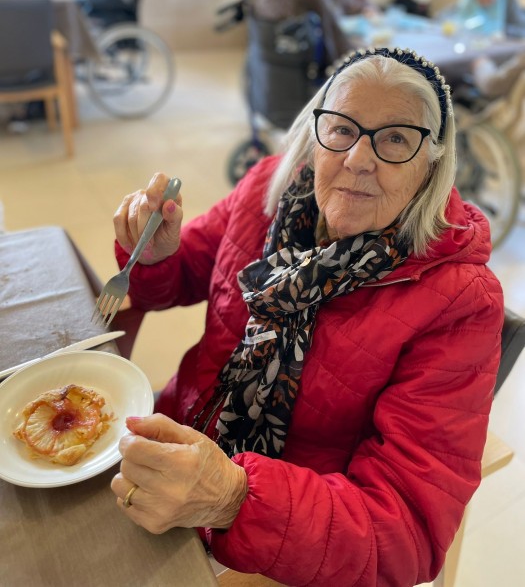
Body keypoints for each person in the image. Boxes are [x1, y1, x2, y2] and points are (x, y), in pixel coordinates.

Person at [109, 47, 504, 586]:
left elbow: (406, 532)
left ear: (431, 163)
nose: (358, 159)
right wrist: (155, 256)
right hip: (172, 432)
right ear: (317, 134)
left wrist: (232, 498)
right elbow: (181, 277)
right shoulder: (269, 190)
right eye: (342, 128)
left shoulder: (461, 303)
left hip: (284, 539)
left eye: (395, 138)